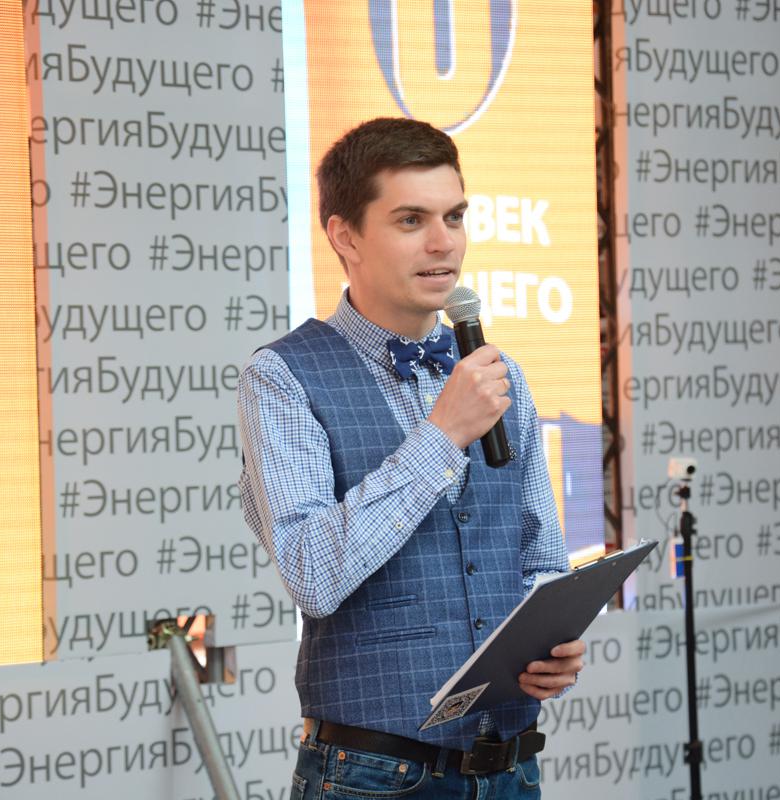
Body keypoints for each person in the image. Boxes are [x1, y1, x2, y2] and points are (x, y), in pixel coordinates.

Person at [238, 117, 583, 798]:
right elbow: (313, 574)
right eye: (410, 220)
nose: (443, 242)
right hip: (372, 775)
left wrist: (553, 643)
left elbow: (539, 553)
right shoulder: (281, 377)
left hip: (509, 769)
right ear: (345, 237)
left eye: (454, 216)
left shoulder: (496, 372)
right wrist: (441, 436)